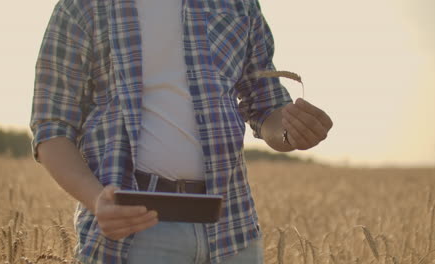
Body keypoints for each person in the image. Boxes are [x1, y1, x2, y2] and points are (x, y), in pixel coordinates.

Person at [30, 0, 333, 263]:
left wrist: (291, 132)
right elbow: (51, 127)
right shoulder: (81, 7)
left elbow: (267, 106)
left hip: (232, 228)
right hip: (134, 231)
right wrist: (97, 199)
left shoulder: (239, 4)